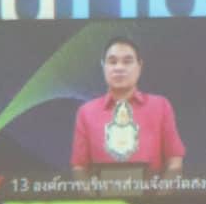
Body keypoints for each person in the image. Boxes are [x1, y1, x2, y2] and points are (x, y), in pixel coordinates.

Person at [71, 37, 185, 181]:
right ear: (103, 66)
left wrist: (161, 193)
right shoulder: (86, 112)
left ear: (140, 66)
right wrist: (91, 194)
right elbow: (79, 167)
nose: (119, 68)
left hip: (153, 193)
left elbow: (175, 160)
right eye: (112, 62)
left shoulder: (160, 106)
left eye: (127, 61)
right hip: (100, 195)